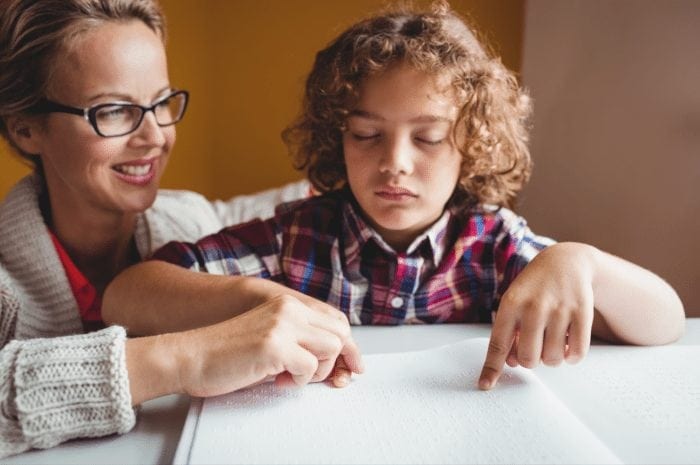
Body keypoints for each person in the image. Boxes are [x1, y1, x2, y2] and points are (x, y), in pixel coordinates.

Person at [104, 0, 685, 390]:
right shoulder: (297, 237)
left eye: (428, 137)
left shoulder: (494, 244)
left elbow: (666, 321)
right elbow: (127, 295)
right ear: (339, 136)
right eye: (367, 135)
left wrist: (576, 261)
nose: (395, 163)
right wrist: (261, 300)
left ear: (471, 142)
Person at [0, 0, 363, 458]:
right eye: (113, 111)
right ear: (25, 129)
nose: (154, 136)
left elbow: (300, 205)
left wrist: (485, 240)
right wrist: (188, 356)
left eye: (161, 103)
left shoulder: (189, 221)